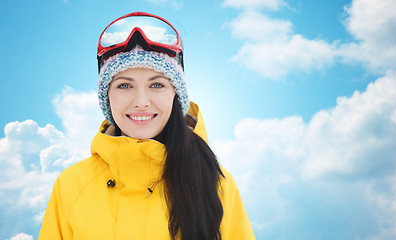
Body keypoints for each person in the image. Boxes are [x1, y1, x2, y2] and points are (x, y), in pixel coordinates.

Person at [39, 12, 255, 240]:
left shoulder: (216, 185)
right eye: (124, 86)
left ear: (175, 94)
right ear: (107, 97)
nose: (141, 101)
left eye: (156, 85)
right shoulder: (72, 185)